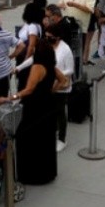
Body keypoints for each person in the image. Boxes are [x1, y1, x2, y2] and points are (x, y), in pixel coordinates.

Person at [0, 40, 67, 185]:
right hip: (48, 105)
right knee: (46, 140)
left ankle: (30, 174)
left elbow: (29, 90)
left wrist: (11, 98)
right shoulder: (51, 66)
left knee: (28, 139)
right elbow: (63, 80)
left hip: (34, 107)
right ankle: (46, 173)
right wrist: (51, 91)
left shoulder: (37, 67)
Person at [44, 21, 74, 151]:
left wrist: (56, 72)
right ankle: (53, 131)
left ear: (57, 36)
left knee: (60, 111)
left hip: (61, 86)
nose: (47, 38)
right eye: (46, 35)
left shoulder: (65, 49)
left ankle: (62, 139)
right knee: (51, 111)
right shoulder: (47, 45)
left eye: (49, 36)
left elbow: (70, 70)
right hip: (49, 83)